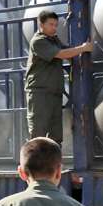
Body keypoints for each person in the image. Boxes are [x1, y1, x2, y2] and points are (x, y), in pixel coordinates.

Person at [25, 9, 93, 145]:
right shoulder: (38, 41)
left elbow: (67, 51)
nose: (54, 28)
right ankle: (35, 159)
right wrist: (83, 48)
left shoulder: (53, 40)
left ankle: (54, 158)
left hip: (54, 93)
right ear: (41, 24)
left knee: (55, 135)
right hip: (39, 93)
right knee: (38, 133)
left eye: (56, 25)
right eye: (51, 24)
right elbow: (61, 54)